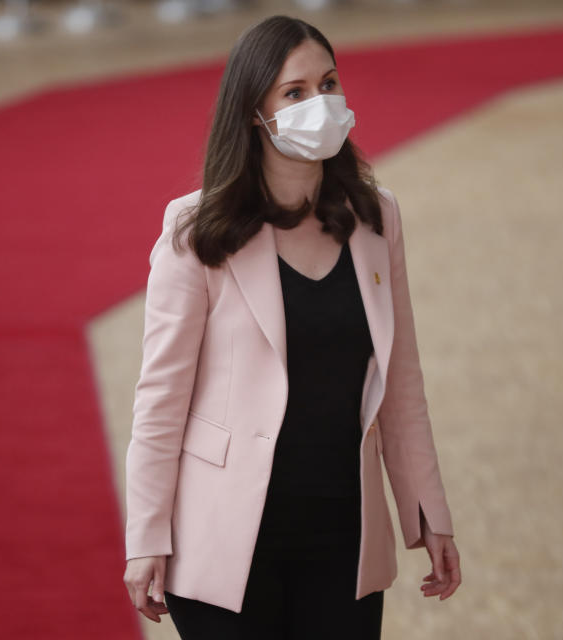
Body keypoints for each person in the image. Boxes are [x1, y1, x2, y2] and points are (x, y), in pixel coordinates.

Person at [122, 15, 461, 639]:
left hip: (343, 535)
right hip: (224, 542)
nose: (321, 104)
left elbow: (401, 377)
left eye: (329, 84)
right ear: (256, 112)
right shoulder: (196, 230)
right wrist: (146, 536)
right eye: (296, 93)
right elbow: (160, 400)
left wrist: (427, 512)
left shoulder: (374, 216)